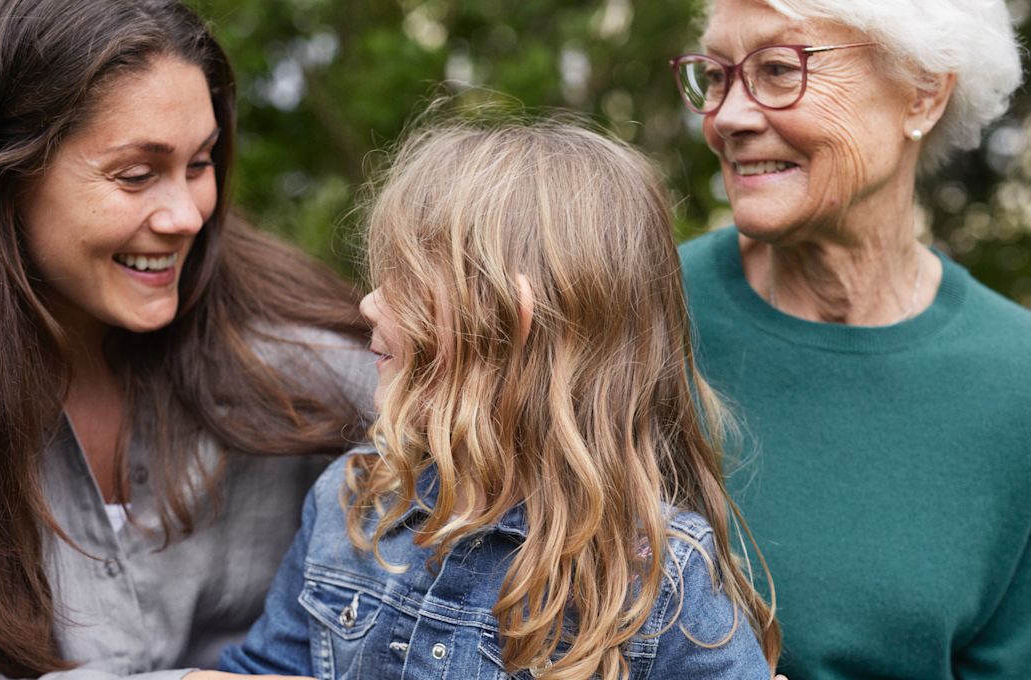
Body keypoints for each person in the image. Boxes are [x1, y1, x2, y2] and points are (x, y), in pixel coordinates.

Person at [0, 0, 374, 677]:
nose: (186, 216)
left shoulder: (301, 351)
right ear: (1, 175)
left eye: (200, 163)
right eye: (136, 175)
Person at [215, 118, 782, 680]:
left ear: (510, 321)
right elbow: (267, 666)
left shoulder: (656, 577)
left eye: (406, 284)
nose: (368, 304)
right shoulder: (353, 499)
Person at [669, 0, 1031, 677]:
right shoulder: (636, 311)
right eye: (717, 75)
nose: (727, 116)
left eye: (778, 69)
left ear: (923, 93)